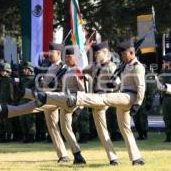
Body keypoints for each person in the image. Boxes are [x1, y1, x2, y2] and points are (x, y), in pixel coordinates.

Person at [38, 38, 146, 166]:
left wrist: (133, 100)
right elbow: (81, 70)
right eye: (94, 53)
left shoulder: (112, 66)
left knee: (110, 126)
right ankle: (117, 158)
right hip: (96, 99)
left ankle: (77, 99)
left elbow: (123, 84)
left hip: (108, 97)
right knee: (103, 130)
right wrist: (83, 52)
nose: (95, 56)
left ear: (105, 53)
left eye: (97, 53)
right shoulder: (95, 66)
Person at [0, 43, 86, 164]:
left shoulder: (66, 68)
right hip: (46, 97)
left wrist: (79, 108)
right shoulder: (49, 67)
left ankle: (10, 108)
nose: (49, 54)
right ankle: (64, 155)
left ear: (58, 54)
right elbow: (44, 86)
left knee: (34, 107)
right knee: (52, 127)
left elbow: (81, 91)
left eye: (51, 53)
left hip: (60, 99)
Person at [133, 66, 156, 140]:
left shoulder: (148, 76)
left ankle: (143, 134)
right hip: (136, 98)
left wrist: (149, 101)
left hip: (144, 99)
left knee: (142, 118)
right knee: (136, 118)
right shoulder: (137, 75)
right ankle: (140, 134)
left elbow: (151, 89)